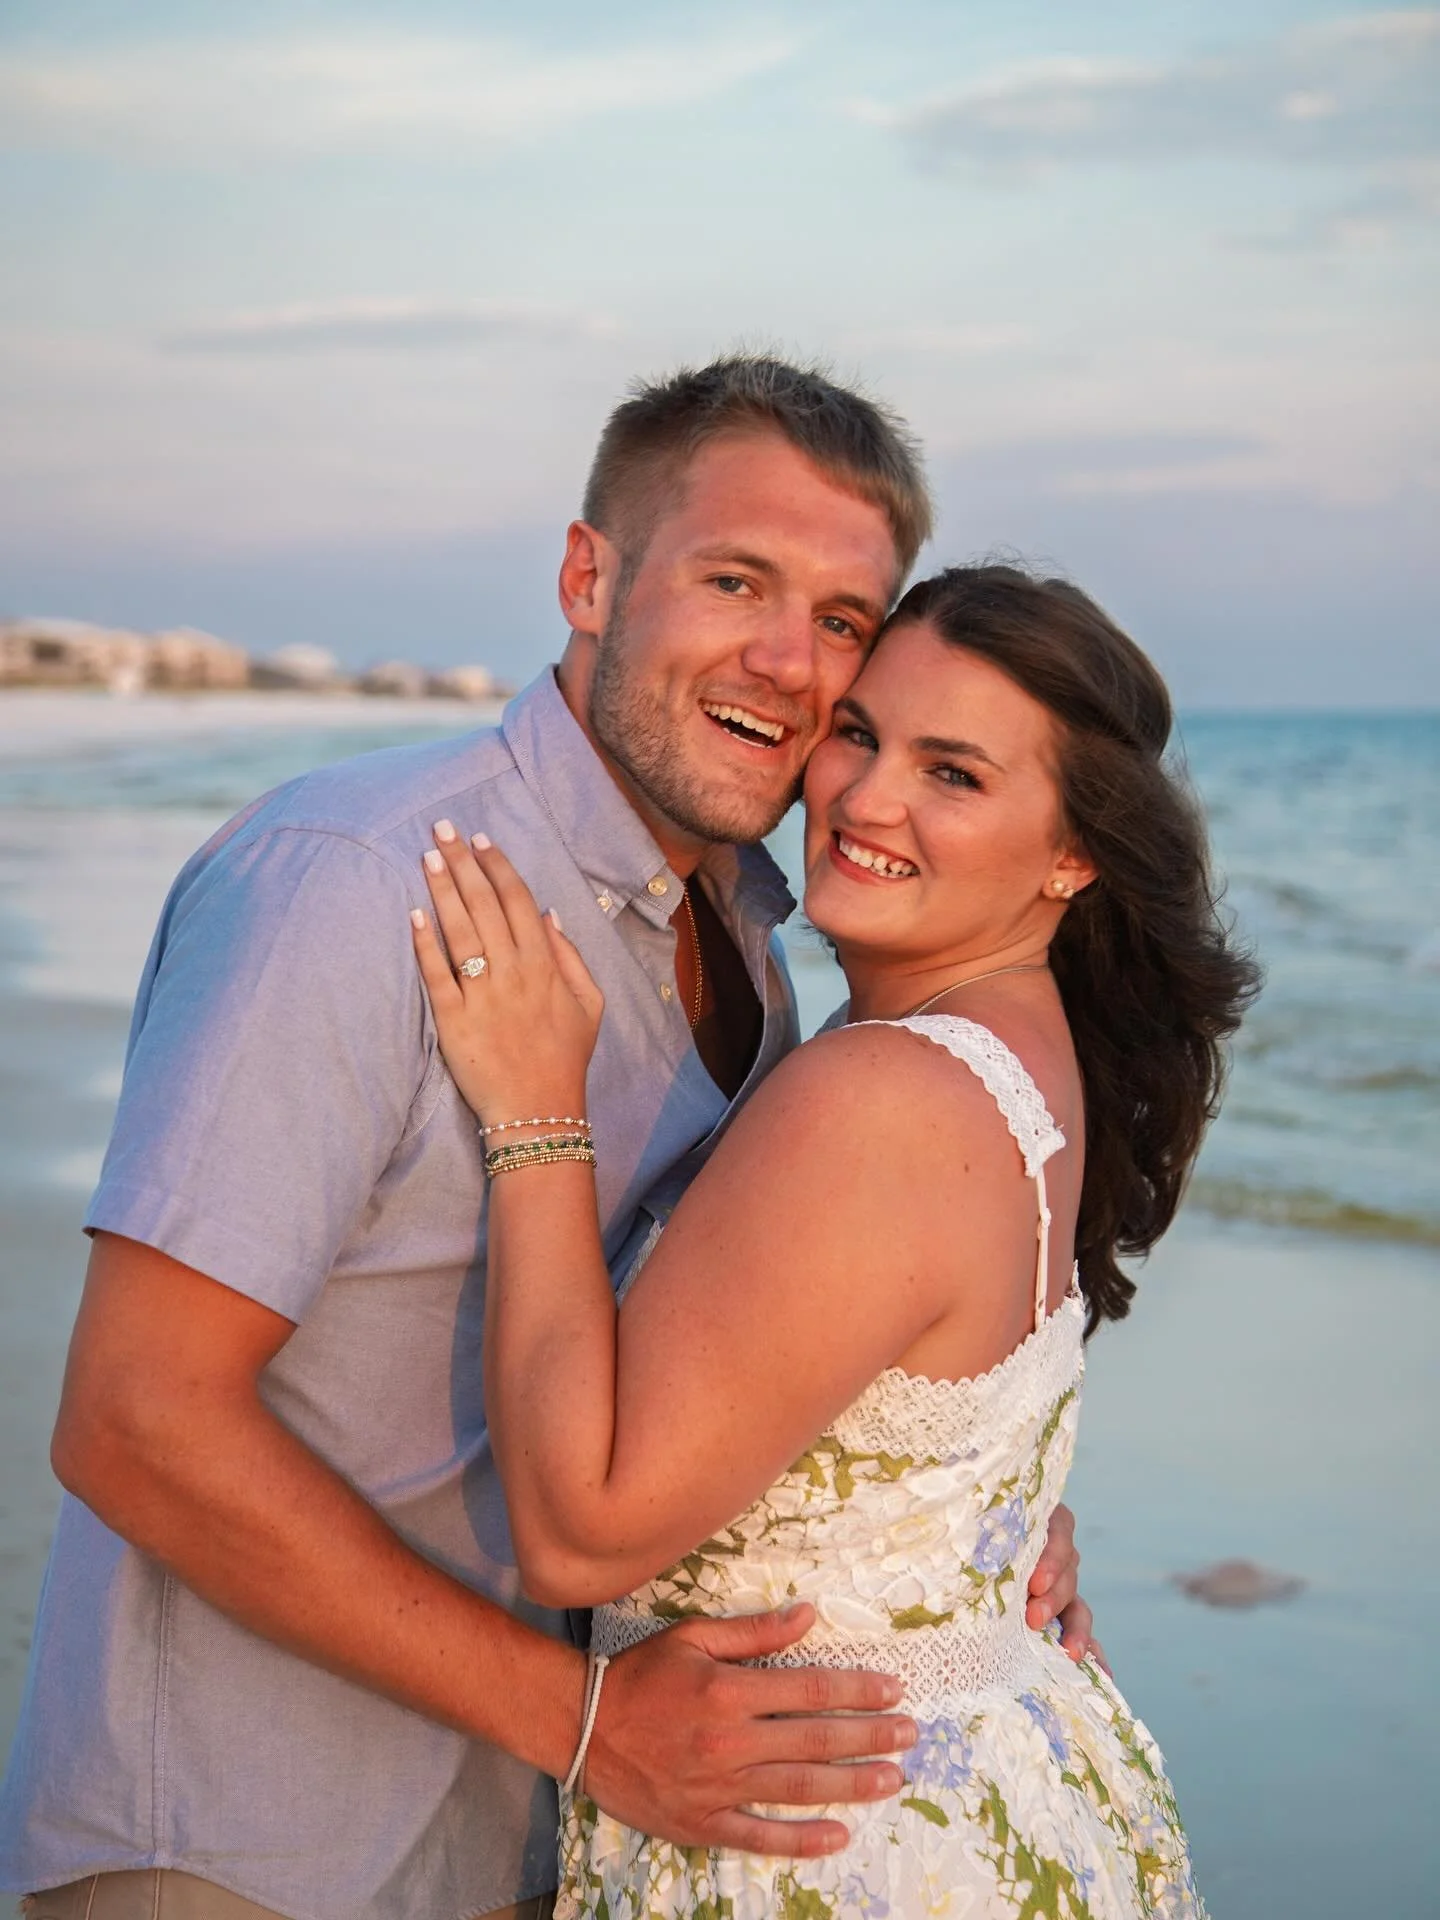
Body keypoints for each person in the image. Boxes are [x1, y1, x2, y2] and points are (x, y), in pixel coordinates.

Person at [0, 360, 1093, 1920]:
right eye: (735, 581)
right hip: (255, 1850)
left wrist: (964, 1526)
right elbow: (133, 1421)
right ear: (592, 577)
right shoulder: (363, 882)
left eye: (842, 621)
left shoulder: (759, 939)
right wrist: (581, 1724)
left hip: (545, 1848)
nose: (788, 664)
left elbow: (748, 1353)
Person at [408, 562, 1260, 1917]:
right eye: (859, 735)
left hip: (824, 1845)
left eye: (955, 774)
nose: (866, 800)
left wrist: (536, 1114)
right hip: (981, 1786)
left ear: (1074, 852)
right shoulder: (1024, 1063)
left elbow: (581, 1537)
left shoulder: (882, 1096)